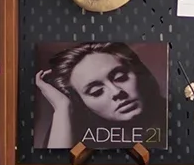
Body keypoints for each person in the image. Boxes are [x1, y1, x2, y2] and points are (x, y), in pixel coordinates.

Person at [34, 42, 166, 151]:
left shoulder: (175, 116)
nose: (116, 92)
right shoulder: (78, 131)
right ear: (81, 102)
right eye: (96, 91)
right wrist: (62, 107)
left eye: (121, 77)